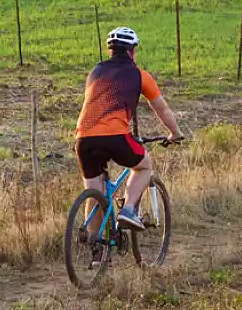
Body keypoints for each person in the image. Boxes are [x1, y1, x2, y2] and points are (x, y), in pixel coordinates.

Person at [74, 26, 183, 229]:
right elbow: (162, 109)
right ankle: (129, 211)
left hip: (83, 138)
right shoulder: (140, 75)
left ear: (110, 51)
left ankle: (96, 251)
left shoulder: (95, 72)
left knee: (94, 193)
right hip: (114, 135)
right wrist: (175, 133)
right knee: (143, 165)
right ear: (132, 51)